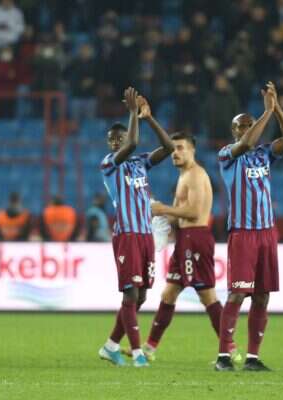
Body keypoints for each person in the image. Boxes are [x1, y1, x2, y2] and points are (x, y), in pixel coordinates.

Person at [215, 82, 283, 371]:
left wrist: (277, 110)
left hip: (266, 233)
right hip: (242, 233)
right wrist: (266, 113)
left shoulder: (265, 154)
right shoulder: (227, 154)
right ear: (233, 131)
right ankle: (223, 356)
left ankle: (252, 358)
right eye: (241, 126)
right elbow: (247, 143)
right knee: (238, 293)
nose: (246, 129)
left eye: (249, 125)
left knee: (262, 296)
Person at [137, 132, 240, 362]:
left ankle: (230, 349)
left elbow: (194, 212)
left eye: (180, 148)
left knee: (207, 296)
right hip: (185, 239)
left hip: (196, 239)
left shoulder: (195, 175)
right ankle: (150, 348)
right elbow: (178, 215)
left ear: (192, 150)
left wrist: (163, 209)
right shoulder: (184, 176)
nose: (175, 153)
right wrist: (159, 220)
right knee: (169, 293)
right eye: (173, 149)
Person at [97, 87, 174, 368]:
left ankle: (110, 346)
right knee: (130, 293)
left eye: (118, 138)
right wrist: (132, 114)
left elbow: (169, 148)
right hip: (127, 234)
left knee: (140, 295)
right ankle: (138, 353)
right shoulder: (109, 164)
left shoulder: (140, 163)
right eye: (112, 140)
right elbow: (131, 144)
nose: (116, 142)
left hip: (145, 235)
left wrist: (148, 118)